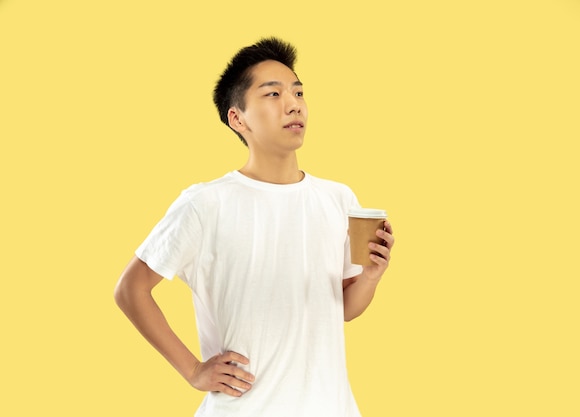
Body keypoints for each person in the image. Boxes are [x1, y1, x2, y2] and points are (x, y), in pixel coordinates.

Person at [114, 37, 395, 417]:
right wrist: (193, 370)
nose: (293, 103)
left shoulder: (338, 199)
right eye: (273, 94)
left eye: (298, 91)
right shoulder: (206, 204)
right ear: (237, 118)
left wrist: (372, 277)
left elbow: (344, 307)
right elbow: (131, 289)